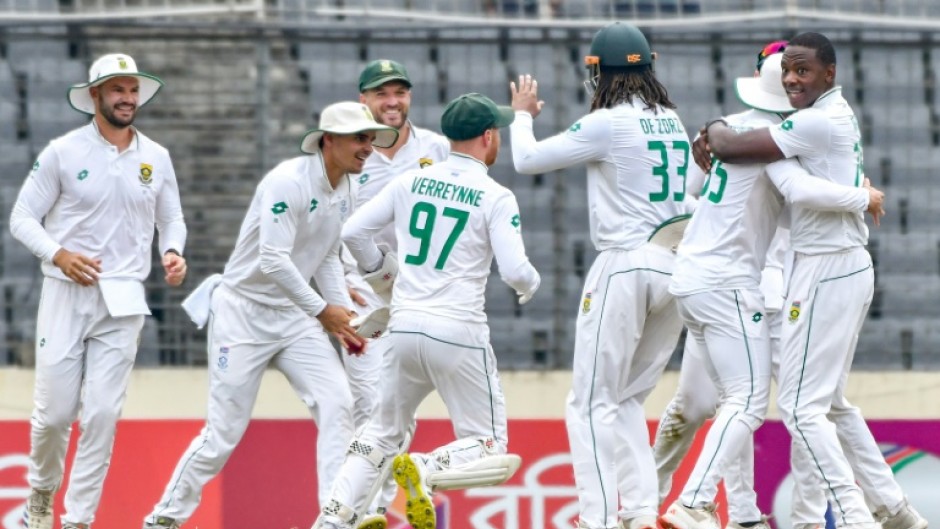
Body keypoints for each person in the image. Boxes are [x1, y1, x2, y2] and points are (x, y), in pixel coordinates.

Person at [691, 32, 924, 529]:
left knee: (799, 409)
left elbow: (734, 148)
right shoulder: (829, 115)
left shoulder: (813, 122)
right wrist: (859, 196)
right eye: (789, 72)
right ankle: (893, 509)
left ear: (829, 74)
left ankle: (856, 517)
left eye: (804, 70)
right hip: (835, 265)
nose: (795, 79)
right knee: (831, 403)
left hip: (825, 268)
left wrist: (713, 127)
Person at [140, 101, 397, 529]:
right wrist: (323, 311)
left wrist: (345, 320)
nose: (368, 147)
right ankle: (164, 519)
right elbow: (273, 260)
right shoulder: (287, 182)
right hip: (243, 314)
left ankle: (335, 519)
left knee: (339, 406)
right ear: (328, 140)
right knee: (223, 435)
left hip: (295, 317)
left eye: (371, 139)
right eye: (359, 138)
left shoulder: (346, 187)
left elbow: (327, 256)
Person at [311, 92, 540, 529]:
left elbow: (353, 231)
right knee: (489, 445)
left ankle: (333, 519)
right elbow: (515, 270)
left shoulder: (412, 181)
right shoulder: (495, 194)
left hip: (404, 326)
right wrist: (531, 284)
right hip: (458, 330)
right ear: (489, 137)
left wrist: (383, 274)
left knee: (380, 432)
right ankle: (426, 467)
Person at [509, 22, 692, 529]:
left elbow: (525, 160)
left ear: (599, 73)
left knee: (588, 404)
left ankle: (598, 519)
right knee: (629, 398)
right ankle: (639, 512)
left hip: (625, 264)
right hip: (673, 267)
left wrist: (521, 117)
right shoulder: (671, 121)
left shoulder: (607, 122)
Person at [9, 53, 187, 529]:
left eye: (132, 90)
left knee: (103, 415)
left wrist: (172, 251)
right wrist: (59, 254)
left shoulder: (156, 157)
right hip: (67, 293)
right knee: (53, 417)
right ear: (95, 96)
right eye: (117, 90)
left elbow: (171, 217)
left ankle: (78, 521)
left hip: (125, 296)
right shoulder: (63, 152)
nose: (127, 99)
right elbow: (22, 218)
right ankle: (41, 497)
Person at [343, 60, 450, 529]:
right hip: (362, 295)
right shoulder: (349, 153)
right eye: (381, 94)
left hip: (416, 294)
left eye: (400, 92)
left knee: (397, 408)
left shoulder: (437, 148)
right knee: (371, 404)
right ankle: (366, 508)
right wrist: (342, 281)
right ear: (362, 99)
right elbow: (332, 225)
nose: (392, 102)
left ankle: (374, 509)